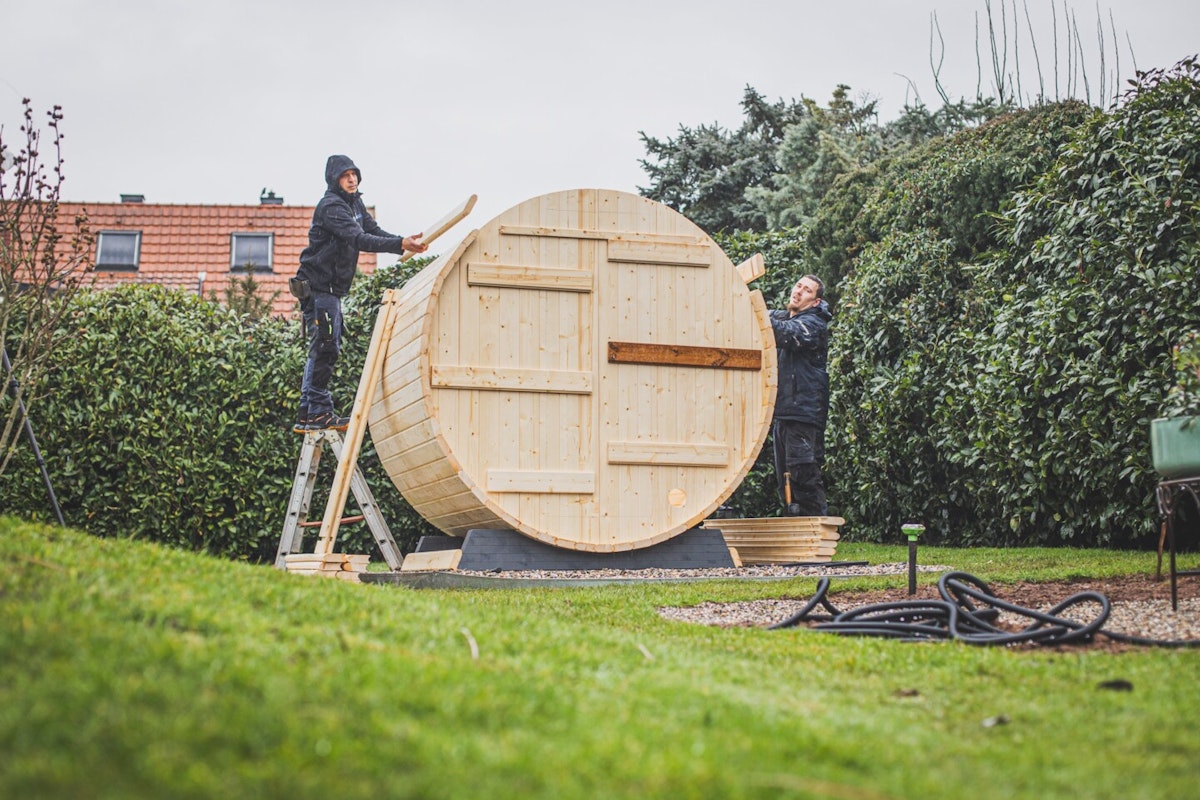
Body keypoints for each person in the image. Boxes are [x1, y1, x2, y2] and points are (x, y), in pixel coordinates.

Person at [291, 154, 427, 433]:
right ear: (335, 179)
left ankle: (308, 412)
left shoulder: (354, 203)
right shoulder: (331, 207)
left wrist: (403, 242)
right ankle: (318, 412)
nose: (352, 179)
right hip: (318, 288)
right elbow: (359, 239)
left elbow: (372, 230)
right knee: (326, 346)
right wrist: (400, 244)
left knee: (322, 346)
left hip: (330, 289)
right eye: (345, 175)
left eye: (354, 174)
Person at [769, 274, 832, 516]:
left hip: (803, 415)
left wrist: (755, 313)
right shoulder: (785, 317)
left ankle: (816, 531)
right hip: (783, 414)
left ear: (815, 302)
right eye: (798, 285)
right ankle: (794, 532)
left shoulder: (813, 325)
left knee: (803, 478)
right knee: (784, 483)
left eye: (807, 290)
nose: (798, 291)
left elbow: (784, 333)